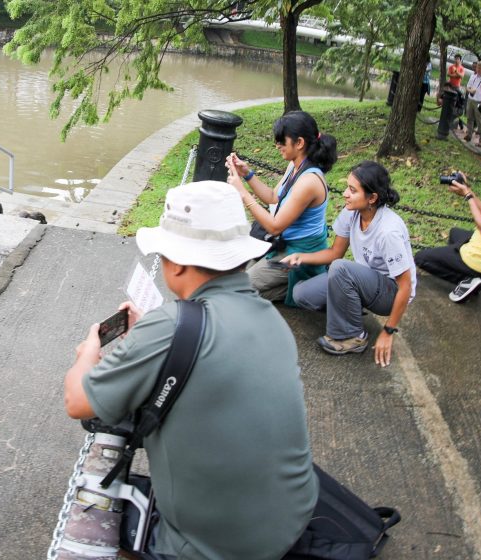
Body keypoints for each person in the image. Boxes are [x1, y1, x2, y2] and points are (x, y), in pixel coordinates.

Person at [64, 181, 318, 559]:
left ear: (178, 260)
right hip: (291, 517)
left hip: (217, 547)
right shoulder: (269, 316)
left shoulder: (167, 327)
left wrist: (89, 351)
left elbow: (78, 401)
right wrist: (156, 335)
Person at [281, 162, 416, 367]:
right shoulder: (351, 212)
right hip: (366, 280)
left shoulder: (389, 231)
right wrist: (300, 257)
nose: (345, 193)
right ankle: (349, 308)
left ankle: (353, 337)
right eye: (347, 187)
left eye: (352, 190)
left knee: (341, 268)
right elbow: (335, 252)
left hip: (391, 293)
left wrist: (389, 331)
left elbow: (406, 286)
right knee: (302, 295)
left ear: (372, 198)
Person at [225, 110, 338, 305]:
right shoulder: (294, 166)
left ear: (299, 143)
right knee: (237, 277)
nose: (277, 146)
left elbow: (275, 226)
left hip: (298, 254)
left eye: (281, 141)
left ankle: (301, 287)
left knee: (238, 289)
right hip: (282, 244)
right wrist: (247, 174)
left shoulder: (309, 181)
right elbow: (273, 197)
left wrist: (242, 193)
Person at [414, 133, 481, 302]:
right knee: (455, 233)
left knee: (421, 258)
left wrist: (468, 196)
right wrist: (467, 189)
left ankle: (468, 280)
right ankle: (472, 275)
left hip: (479, 259)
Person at [466, 61, 481, 145]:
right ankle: (469, 134)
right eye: (477, 67)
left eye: (480, 68)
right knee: (469, 117)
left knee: (479, 120)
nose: (478, 69)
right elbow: (467, 87)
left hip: (479, 101)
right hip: (471, 99)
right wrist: (470, 90)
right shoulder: (473, 76)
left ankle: (480, 139)